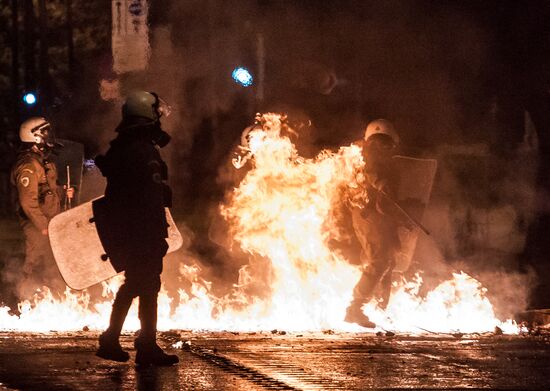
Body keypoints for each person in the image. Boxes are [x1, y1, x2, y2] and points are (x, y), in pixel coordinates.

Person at [94, 90, 178, 366]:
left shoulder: (126, 147)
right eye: (155, 113)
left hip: (131, 231)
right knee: (148, 285)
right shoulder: (141, 151)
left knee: (135, 284)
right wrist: (156, 234)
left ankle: (112, 339)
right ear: (146, 115)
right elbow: (147, 198)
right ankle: (146, 345)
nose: (159, 119)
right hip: (141, 232)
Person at [343, 119, 403, 329]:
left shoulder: (382, 156)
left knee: (386, 260)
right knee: (379, 261)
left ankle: (377, 307)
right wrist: (381, 183)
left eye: (384, 141)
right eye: (379, 141)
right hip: (369, 216)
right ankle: (355, 308)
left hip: (378, 216)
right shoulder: (369, 153)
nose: (381, 145)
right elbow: (372, 173)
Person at [10, 117, 71, 300]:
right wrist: (44, 227)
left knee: (51, 263)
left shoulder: (45, 162)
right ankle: (26, 300)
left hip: (50, 223)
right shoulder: (28, 165)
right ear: (34, 137)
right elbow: (28, 202)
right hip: (36, 226)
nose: (48, 135)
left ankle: (51, 299)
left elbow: (48, 191)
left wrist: (63, 191)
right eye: (44, 132)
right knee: (34, 262)